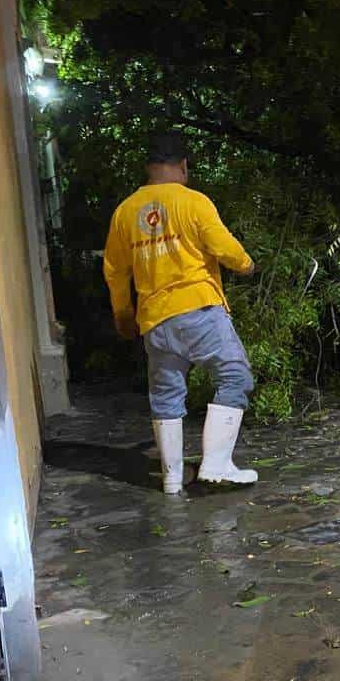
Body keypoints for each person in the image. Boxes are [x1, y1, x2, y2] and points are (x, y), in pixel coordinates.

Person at [103, 133, 258, 493]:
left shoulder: (125, 211)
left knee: (166, 394)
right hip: (199, 309)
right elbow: (223, 246)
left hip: (154, 319)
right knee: (235, 375)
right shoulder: (193, 202)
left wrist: (123, 314)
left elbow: (114, 270)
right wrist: (247, 265)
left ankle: (172, 478)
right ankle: (217, 465)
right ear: (184, 166)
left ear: (148, 168)